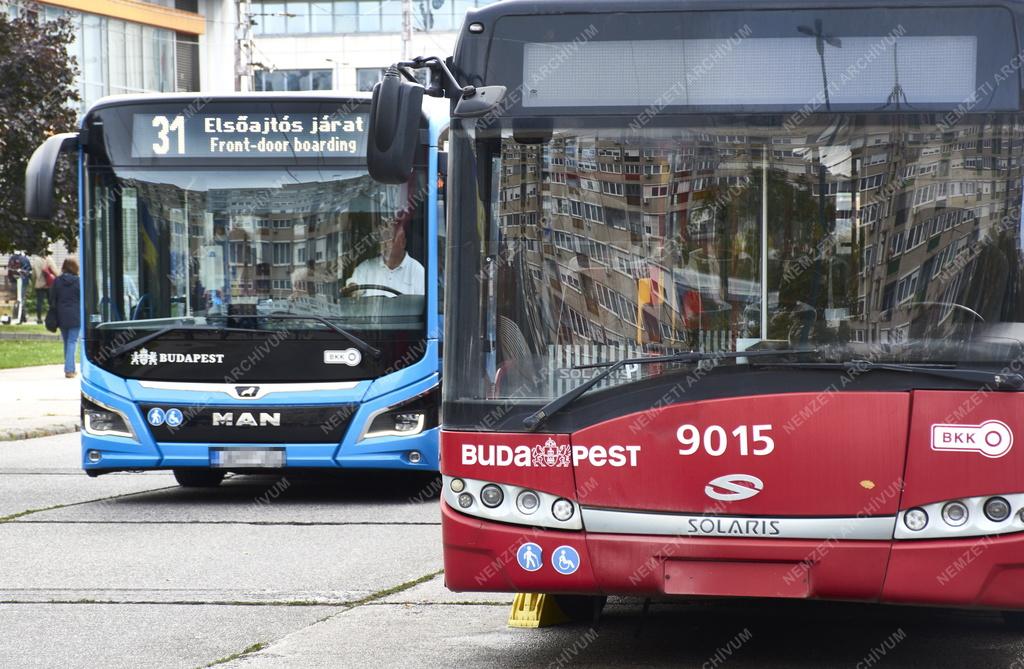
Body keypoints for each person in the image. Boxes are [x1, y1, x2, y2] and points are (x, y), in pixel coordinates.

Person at [346, 218, 424, 297]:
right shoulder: (366, 267)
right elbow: (354, 287)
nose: (386, 244)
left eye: (390, 240)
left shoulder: (417, 271)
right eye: (383, 240)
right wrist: (353, 288)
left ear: (403, 243)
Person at [50, 257, 81, 379]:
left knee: (67, 341)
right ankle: (69, 369)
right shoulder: (79, 281)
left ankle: (69, 368)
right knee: (72, 341)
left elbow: (52, 297)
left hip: (61, 315)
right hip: (75, 314)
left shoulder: (57, 281)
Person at [30, 254, 59, 324]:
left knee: (39, 302)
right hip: (49, 284)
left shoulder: (36, 261)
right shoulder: (49, 259)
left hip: (39, 284)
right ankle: (52, 318)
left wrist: (33, 284)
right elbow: (56, 272)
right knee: (51, 302)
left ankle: (39, 319)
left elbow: (33, 275)